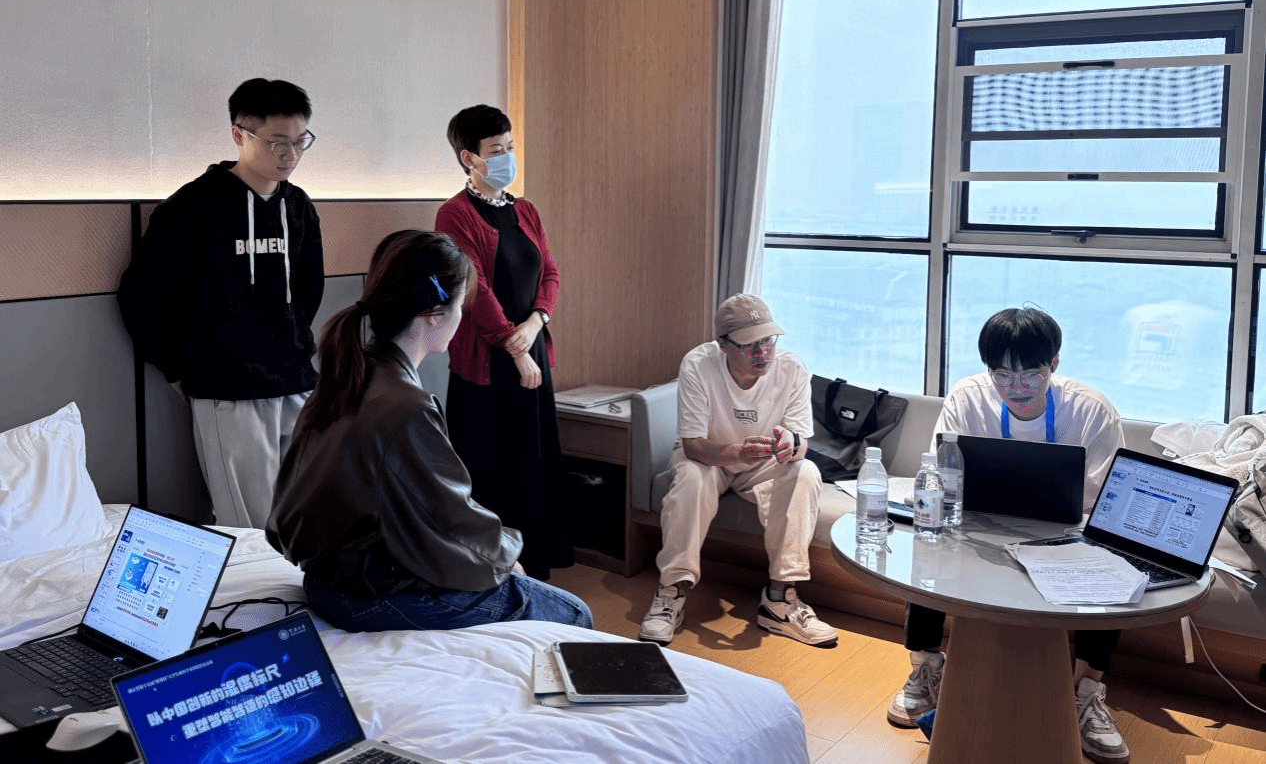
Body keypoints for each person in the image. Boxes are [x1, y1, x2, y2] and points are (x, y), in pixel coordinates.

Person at [266, 230, 592, 632]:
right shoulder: (405, 406)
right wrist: (507, 558)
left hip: (325, 581)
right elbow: (450, 517)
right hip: (367, 596)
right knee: (575, 613)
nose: (462, 318)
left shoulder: (347, 377)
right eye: (462, 306)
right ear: (435, 314)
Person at [886, 306, 1130, 764]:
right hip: (980, 521)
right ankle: (926, 667)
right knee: (929, 539)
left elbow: (1104, 499)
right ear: (989, 370)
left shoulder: (1091, 410)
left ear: (1053, 364)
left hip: (1065, 531)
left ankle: (1086, 692)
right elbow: (940, 469)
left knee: (1108, 559)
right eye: (1002, 375)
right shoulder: (967, 397)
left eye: (1030, 375)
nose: (1016, 388)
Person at [118, 78, 323, 529]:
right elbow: (141, 294)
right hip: (228, 387)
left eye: (300, 141)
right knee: (251, 525)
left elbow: (309, 289)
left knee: (308, 514)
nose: (290, 154)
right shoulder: (193, 206)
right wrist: (174, 367)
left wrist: (295, 344)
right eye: (277, 142)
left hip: (296, 380)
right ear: (239, 135)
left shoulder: (298, 206)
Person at [639, 293, 839, 648]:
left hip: (761, 463)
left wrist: (791, 444)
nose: (763, 352)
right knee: (690, 478)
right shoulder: (698, 364)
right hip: (709, 457)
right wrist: (735, 452)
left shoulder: (792, 368)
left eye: (768, 340)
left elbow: (801, 441)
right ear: (723, 345)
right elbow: (693, 446)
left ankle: (780, 602)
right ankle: (670, 592)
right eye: (750, 345)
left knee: (805, 472)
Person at [435, 105, 571, 579]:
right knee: (493, 466)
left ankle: (537, 566)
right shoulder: (454, 214)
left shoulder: (525, 210)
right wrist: (515, 347)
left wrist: (536, 322)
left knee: (534, 459)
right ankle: (494, 570)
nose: (506, 157)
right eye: (496, 150)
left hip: (532, 350)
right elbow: (474, 288)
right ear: (468, 157)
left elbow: (550, 273)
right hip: (486, 362)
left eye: (509, 147)